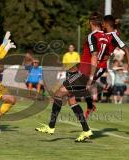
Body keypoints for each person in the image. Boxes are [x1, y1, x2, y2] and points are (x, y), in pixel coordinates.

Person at [35, 13, 107, 142]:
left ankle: (51, 127)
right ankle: (86, 130)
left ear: (91, 22)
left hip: (84, 73)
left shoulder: (92, 36)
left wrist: (90, 78)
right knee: (71, 99)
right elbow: (104, 57)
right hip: (90, 72)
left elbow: (94, 56)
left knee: (58, 94)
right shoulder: (105, 38)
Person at [83, 14, 129, 118]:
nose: (102, 25)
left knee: (84, 83)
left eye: (103, 23)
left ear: (105, 24)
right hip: (97, 63)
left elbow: (126, 49)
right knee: (83, 84)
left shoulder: (114, 36)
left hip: (101, 65)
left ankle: (92, 103)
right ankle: (91, 105)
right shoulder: (106, 33)